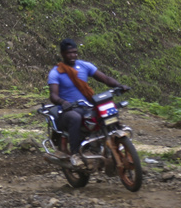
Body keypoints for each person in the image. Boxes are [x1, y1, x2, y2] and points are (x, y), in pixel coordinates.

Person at [48, 39, 124, 167]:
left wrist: (119, 85)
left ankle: (113, 143)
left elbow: (104, 78)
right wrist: (63, 102)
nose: (73, 55)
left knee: (107, 112)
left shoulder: (84, 66)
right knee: (75, 117)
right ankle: (75, 153)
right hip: (68, 110)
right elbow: (53, 95)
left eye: (75, 52)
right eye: (69, 53)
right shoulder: (56, 72)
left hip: (86, 105)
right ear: (62, 54)